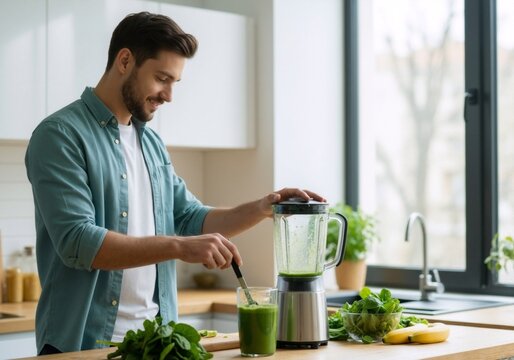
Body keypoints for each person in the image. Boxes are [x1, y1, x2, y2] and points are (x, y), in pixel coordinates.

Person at [25, 11, 325, 355]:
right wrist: (181, 247)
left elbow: (190, 217)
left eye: (174, 83)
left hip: (156, 342)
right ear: (125, 60)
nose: (168, 95)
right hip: (83, 343)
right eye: (161, 78)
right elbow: (78, 241)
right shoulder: (60, 136)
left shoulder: (150, 144)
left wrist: (262, 207)